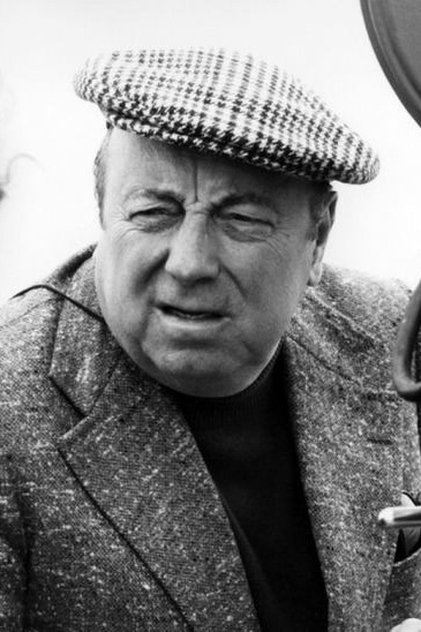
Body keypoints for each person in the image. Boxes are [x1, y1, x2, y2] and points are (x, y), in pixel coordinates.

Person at [0, 48, 420, 632]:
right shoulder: (9, 409)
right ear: (101, 208)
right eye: (154, 212)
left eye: (240, 219)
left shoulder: (394, 333)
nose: (190, 263)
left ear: (319, 236)